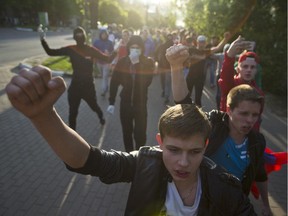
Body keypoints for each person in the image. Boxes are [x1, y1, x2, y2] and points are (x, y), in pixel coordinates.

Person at [5, 71, 256, 215]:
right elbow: (91, 161)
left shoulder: (226, 188)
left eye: (195, 152)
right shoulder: (145, 163)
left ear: (206, 145)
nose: (183, 162)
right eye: (173, 150)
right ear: (159, 142)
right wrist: (44, 117)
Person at [166, 44, 273, 216]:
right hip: (202, 204)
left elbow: (260, 175)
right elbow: (184, 104)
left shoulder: (257, 141)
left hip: (233, 206)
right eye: (244, 113)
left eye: (255, 115)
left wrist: (266, 205)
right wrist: (176, 66)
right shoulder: (213, 125)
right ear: (229, 110)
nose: (250, 120)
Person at [39, 26, 116, 130]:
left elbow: (108, 59)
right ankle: (72, 134)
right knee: (73, 112)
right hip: (75, 88)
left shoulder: (91, 50)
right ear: (74, 37)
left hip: (88, 87)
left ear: (84, 36)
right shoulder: (71, 49)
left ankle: (101, 117)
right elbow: (51, 52)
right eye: (77, 35)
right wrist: (42, 39)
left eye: (81, 35)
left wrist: (117, 50)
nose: (79, 37)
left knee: (94, 106)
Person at [107, 35, 154, 152]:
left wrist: (137, 64)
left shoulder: (148, 62)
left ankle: (139, 155)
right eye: (132, 47)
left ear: (142, 49)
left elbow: (146, 83)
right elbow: (114, 82)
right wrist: (111, 101)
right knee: (127, 132)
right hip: (126, 104)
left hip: (140, 104)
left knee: (140, 134)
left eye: (137, 48)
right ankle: (129, 157)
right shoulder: (122, 62)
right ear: (128, 48)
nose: (135, 50)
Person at [185, 32, 230, 107]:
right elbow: (186, 56)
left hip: (200, 77)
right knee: (187, 96)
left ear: (205, 43)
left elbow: (217, 48)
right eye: (201, 42)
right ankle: (185, 113)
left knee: (198, 99)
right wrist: (198, 57)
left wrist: (225, 39)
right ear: (198, 42)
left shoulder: (205, 51)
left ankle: (198, 116)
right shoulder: (191, 50)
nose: (202, 44)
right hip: (190, 76)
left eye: (203, 42)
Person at [93, 29, 114, 97]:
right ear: (100, 35)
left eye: (105, 34)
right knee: (103, 76)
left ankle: (103, 90)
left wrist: (109, 53)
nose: (104, 35)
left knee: (105, 76)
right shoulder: (96, 42)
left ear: (107, 35)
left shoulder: (110, 43)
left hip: (106, 62)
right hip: (99, 62)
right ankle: (106, 87)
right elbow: (93, 50)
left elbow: (113, 52)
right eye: (102, 34)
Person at [155, 33, 174, 103]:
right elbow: (156, 53)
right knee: (164, 81)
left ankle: (166, 95)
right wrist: (157, 60)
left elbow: (155, 53)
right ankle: (165, 92)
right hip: (164, 66)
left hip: (168, 67)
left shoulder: (171, 46)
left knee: (166, 81)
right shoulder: (162, 46)